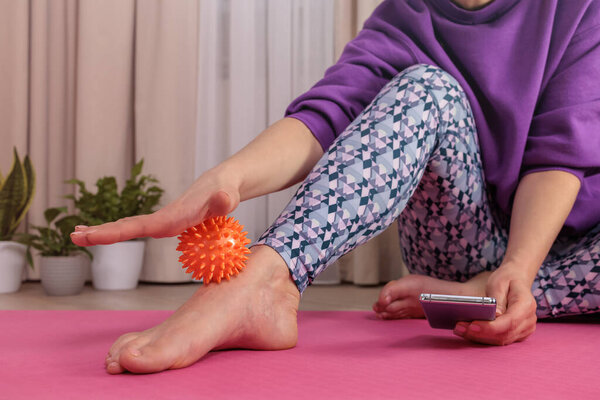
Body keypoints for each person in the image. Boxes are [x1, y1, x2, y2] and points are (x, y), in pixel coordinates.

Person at [71, 0, 600, 375]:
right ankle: (267, 281)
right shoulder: (403, 16)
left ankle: (486, 294)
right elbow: (323, 118)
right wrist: (224, 178)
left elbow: (559, 153)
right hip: (462, 241)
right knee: (426, 90)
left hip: (566, 254)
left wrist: (519, 272)